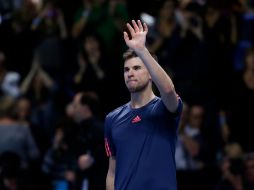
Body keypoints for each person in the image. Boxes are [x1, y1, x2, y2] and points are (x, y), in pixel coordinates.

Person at [104, 20, 183, 190]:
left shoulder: (164, 109)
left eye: (137, 68)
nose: (130, 73)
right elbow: (112, 171)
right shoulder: (112, 119)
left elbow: (169, 90)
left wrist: (142, 50)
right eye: (127, 70)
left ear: (150, 75)